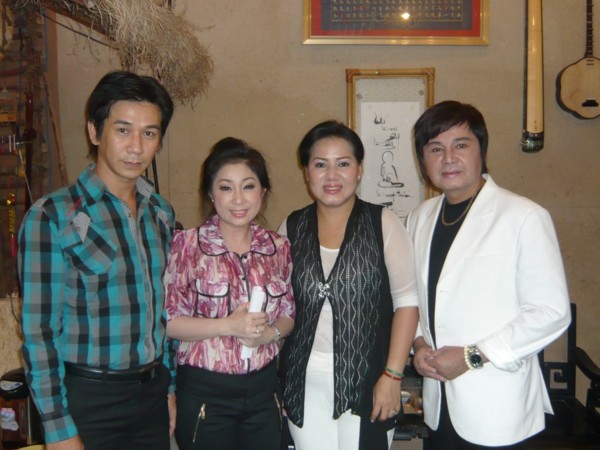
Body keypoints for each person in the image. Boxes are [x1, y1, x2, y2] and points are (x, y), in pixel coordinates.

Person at [17, 71, 177, 450]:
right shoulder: (52, 216)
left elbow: (164, 310)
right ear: (94, 131)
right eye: (123, 130)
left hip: (151, 396)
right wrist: (58, 428)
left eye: (149, 133)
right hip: (87, 401)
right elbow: (39, 334)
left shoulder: (160, 213)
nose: (136, 147)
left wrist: (169, 387)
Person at [406, 100, 572, 449]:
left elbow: (551, 312)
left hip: (498, 403)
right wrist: (418, 344)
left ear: (482, 150)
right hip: (439, 403)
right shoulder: (420, 218)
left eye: (461, 145)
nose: (448, 158)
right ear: (423, 160)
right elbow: (416, 296)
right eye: (435, 148)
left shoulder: (523, 216)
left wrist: (473, 356)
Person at [279, 120, 419, 450]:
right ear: (306, 172)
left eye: (343, 164)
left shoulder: (383, 223)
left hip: (369, 380)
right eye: (320, 164)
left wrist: (393, 375)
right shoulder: (292, 227)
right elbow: (282, 305)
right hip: (303, 381)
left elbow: (407, 304)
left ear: (359, 169)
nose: (332, 175)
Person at [164, 137, 295, 450]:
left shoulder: (278, 247)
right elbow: (167, 321)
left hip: (264, 392)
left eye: (248, 186)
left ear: (263, 191)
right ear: (211, 194)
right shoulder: (186, 245)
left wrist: (270, 334)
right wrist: (228, 326)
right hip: (206, 394)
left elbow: (289, 314)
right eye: (226, 187)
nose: (238, 199)